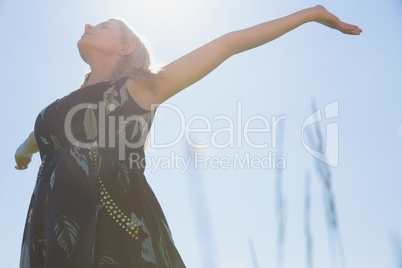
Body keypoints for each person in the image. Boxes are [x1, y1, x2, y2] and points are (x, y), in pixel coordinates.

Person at [14, 5, 362, 268]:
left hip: (113, 219)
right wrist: (22, 152)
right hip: (51, 217)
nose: (90, 25)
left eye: (105, 26)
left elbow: (228, 44)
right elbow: (39, 135)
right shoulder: (60, 109)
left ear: (125, 48)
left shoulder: (139, 88)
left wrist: (310, 14)